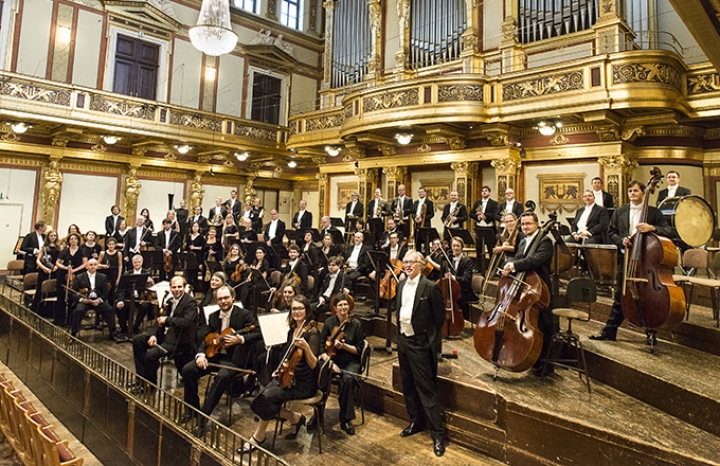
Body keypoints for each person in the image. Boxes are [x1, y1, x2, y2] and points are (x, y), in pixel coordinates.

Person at [590, 180, 673, 346]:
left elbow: (669, 231)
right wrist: (622, 241)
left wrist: (652, 228)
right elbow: (611, 232)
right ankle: (610, 330)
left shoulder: (654, 212)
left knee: (649, 297)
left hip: (648, 261)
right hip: (627, 258)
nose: (632, 194)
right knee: (621, 294)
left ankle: (651, 332)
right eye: (630, 191)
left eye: (635, 190)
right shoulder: (620, 211)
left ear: (643, 192)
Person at [238, 296, 320, 454]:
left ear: (307, 310)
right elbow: (288, 357)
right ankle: (295, 418)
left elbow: (313, 364)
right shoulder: (292, 330)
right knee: (259, 397)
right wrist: (279, 369)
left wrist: (306, 347)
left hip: (304, 383)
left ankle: (258, 437)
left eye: (300, 308)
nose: (297, 312)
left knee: (267, 398)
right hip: (288, 377)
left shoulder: (313, 333)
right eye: (294, 309)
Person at [181, 285, 260, 430]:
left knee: (222, 377)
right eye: (219, 299)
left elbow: (258, 333)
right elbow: (207, 339)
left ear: (233, 298)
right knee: (188, 369)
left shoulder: (244, 315)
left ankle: (203, 418)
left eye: (226, 298)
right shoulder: (213, 316)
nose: (223, 301)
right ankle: (192, 409)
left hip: (235, 360)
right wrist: (201, 354)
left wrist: (240, 339)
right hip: (215, 356)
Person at [394, 250, 446, 457]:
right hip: (403, 341)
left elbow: (439, 318)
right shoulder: (399, 285)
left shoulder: (430, 287)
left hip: (420, 343)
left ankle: (438, 434)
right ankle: (415, 420)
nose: (407, 265)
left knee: (426, 388)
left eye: (412, 262)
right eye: (405, 262)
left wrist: (428, 343)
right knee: (407, 384)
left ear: (421, 265)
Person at [501, 212, 554, 376]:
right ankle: (527, 356)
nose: (525, 227)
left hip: (539, 289)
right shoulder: (523, 240)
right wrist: (509, 268)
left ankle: (544, 363)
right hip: (524, 286)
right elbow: (518, 257)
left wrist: (513, 265)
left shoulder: (545, 241)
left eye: (528, 224)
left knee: (543, 325)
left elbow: (535, 260)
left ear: (537, 224)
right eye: (523, 224)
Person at [130, 276, 198, 390]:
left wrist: (167, 320)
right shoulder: (169, 299)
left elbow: (186, 322)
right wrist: (153, 335)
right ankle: (142, 379)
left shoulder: (190, 302)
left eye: (180, 287)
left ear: (185, 288)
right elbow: (159, 320)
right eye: (174, 287)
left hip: (178, 340)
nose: (177, 290)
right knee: (138, 340)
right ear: (170, 288)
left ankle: (150, 385)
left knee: (151, 355)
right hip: (165, 335)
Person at [319, 294, 365, 435]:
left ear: (349, 307)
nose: (343, 307)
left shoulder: (356, 324)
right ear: (335, 308)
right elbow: (321, 347)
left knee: (348, 379)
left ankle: (345, 419)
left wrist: (344, 347)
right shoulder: (329, 323)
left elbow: (358, 350)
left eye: (345, 305)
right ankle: (318, 414)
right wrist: (329, 362)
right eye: (340, 305)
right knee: (319, 373)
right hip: (331, 360)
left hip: (350, 360)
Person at [70, 258, 118, 340]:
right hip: (85, 301)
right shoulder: (79, 277)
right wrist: (82, 300)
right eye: (90, 265)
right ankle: (73, 335)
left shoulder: (102, 277)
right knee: (78, 311)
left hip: (97, 300)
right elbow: (72, 293)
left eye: (95, 265)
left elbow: (105, 292)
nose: (93, 267)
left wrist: (99, 300)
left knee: (110, 310)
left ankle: (113, 334)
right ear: (87, 267)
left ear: (97, 266)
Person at [115, 254, 154, 336]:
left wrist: (151, 281)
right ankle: (123, 327)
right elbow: (122, 290)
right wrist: (120, 300)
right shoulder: (127, 274)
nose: (137, 264)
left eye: (138, 262)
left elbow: (151, 288)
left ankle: (136, 327)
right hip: (129, 298)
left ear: (142, 262)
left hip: (141, 298)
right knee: (118, 307)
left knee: (145, 306)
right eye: (135, 262)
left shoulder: (146, 273)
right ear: (132, 263)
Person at [55, 233, 86, 326]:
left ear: (77, 240)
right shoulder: (64, 251)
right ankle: (59, 320)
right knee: (61, 298)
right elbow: (57, 263)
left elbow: (85, 263)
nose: (73, 240)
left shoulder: (82, 251)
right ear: (69, 241)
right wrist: (65, 268)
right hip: (64, 275)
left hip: (78, 274)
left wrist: (74, 270)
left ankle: (72, 321)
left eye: (75, 239)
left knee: (74, 298)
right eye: (71, 239)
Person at [470, 186, 501, 274]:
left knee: (491, 248)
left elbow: (495, 215)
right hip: (479, 227)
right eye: (483, 191)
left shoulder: (493, 203)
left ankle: (492, 268)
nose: (484, 192)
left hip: (489, 228)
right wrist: (478, 217)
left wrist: (485, 216)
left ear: (489, 193)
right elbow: (471, 214)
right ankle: (479, 268)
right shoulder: (478, 203)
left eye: (486, 191)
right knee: (479, 248)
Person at [445, 237, 475, 320]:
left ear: (462, 247)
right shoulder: (450, 259)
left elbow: (466, 279)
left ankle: (461, 320)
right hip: (453, 288)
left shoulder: (467, 261)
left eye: (458, 246)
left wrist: (454, 277)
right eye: (454, 246)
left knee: (457, 297)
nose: (455, 248)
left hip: (464, 290)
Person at [31, 229, 59, 315]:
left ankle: (49, 311)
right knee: (41, 289)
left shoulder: (59, 247)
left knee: (52, 290)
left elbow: (61, 260)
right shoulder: (44, 248)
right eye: (51, 236)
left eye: (54, 235)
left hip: (54, 270)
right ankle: (38, 309)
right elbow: (38, 260)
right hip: (44, 271)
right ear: (48, 237)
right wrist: (43, 268)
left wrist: (57, 266)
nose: (53, 237)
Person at [98, 237, 123, 303]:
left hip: (114, 274)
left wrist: (118, 278)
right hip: (105, 274)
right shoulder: (102, 253)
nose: (111, 246)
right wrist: (104, 266)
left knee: (112, 294)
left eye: (113, 244)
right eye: (110, 244)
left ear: (115, 245)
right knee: (103, 291)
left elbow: (120, 266)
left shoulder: (119, 254)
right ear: (107, 245)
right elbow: (97, 264)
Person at [412, 187, 435, 255]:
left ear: (425, 193)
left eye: (422, 192)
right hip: (417, 225)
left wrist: (423, 219)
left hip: (425, 225)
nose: (420, 193)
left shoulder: (429, 202)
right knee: (417, 243)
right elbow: (413, 213)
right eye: (419, 192)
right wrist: (415, 218)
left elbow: (432, 214)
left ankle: (426, 259)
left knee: (426, 243)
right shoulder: (416, 202)